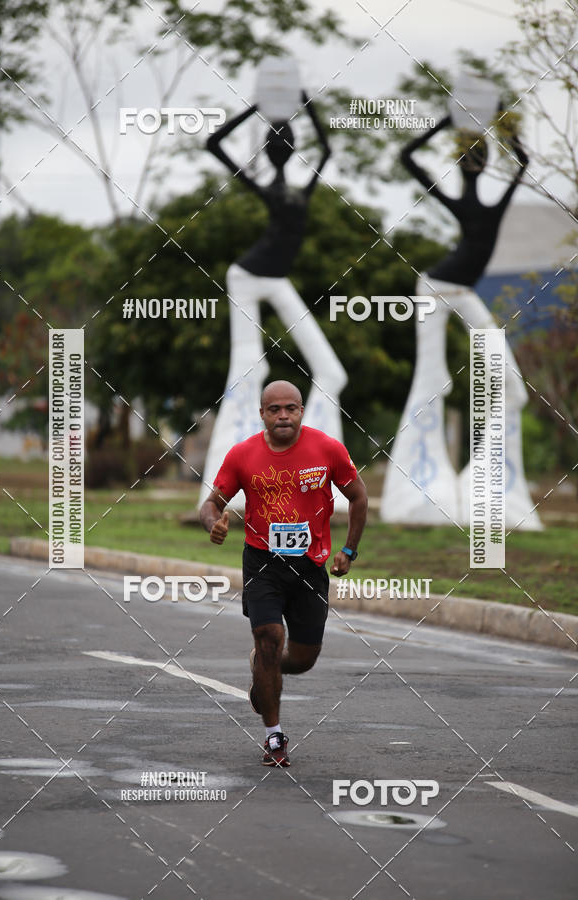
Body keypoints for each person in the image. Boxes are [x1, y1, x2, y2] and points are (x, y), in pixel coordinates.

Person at [381, 115, 542, 530]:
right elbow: (407, 157)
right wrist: (445, 124)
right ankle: (419, 488)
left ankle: (487, 489)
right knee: (433, 380)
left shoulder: (494, 201)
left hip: (462, 292)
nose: (475, 164)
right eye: (469, 158)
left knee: (512, 386)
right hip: (434, 289)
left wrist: (502, 122)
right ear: (461, 165)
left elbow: (523, 161)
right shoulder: (459, 201)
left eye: (479, 157)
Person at [200, 380, 368, 767]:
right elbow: (212, 502)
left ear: (301, 411)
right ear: (262, 414)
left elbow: (358, 496)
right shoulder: (243, 455)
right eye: (274, 409)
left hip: (311, 565)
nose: (283, 416)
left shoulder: (327, 449)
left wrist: (348, 550)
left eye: (290, 408)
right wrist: (214, 523)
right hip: (263, 564)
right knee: (269, 637)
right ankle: (274, 736)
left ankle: (263, 668)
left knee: (303, 657)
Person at [198, 91, 347, 510]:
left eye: (287, 139)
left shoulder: (303, 187)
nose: (282, 144)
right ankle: (232, 487)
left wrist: (301, 102)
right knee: (250, 368)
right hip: (246, 277)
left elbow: (329, 146)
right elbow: (213, 143)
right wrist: (259, 106)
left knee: (331, 372)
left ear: (295, 148)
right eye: (274, 140)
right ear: (267, 148)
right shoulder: (266, 187)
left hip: (275, 278)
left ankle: (315, 479)